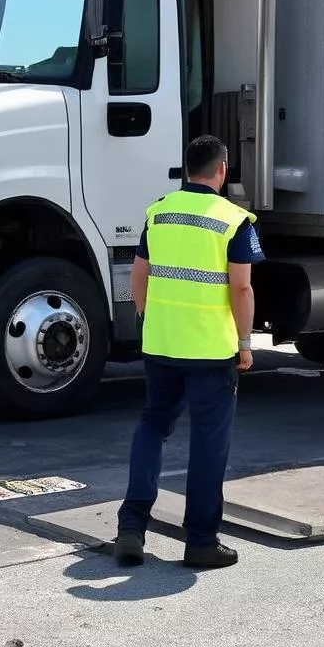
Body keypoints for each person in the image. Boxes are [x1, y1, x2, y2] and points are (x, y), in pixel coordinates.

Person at [114, 134, 264, 569]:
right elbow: (241, 286)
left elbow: (137, 276)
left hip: (161, 345)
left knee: (152, 427)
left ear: (187, 169)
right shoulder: (233, 219)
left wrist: (150, 319)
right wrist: (244, 342)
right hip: (210, 352)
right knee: (208, 443)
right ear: (222, 169)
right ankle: (200, 542)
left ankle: (131, 529)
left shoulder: (159, 212)